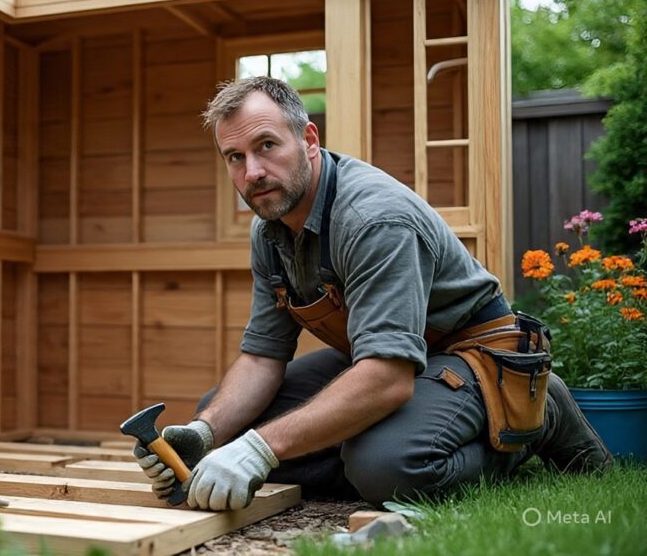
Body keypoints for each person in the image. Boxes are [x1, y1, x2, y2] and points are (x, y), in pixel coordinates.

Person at [133, 76, 612, 511]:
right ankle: (361, 445)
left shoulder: (374, 220)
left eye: (266, 146)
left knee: (385, 468)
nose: (252, 171)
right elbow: (261, 357)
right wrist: (205, 435)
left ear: (309, 140)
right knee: (225, 416)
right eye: (235, 157)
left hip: (473, 355)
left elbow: (387, 378)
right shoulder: (271, 230)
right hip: (392, 356)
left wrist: (260, 449)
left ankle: (529, 421)